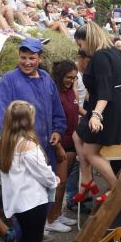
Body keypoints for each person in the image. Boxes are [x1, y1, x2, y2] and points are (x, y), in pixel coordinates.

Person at [0, 37, 69, 232]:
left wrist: (58, 131)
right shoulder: (8, 81)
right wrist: (18, 142)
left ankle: (42, 227)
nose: (27, 62)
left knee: (41, 190)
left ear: (40, 58)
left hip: (45, 146)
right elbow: (1, 114)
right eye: (23, 57)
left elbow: (56, 109)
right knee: (24, 194)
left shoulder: (46, 79)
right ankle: (25, 239)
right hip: (21, 149)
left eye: (32, 58)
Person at [0, 101, 61, 242]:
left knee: (23, 239)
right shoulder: (27, 144)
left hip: (17, 202)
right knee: (33, 241)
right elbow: (42, 172)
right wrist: (54, 180)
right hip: (32, 201)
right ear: (27, 120)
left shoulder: (6, 142)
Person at [71, 22, 121, 206]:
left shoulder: (100, 57)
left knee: (90, 151)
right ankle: (87, 180)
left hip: (108, 106)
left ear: (88, 39)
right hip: (114, 103)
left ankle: (116, 189)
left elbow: (105, 90)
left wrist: (96, 115)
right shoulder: (112, 51)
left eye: (80, 44)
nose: (81, 49)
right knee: (77, 135)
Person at [51, 60, 83, 226]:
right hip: (61, 143)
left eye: (74, 78)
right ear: (60, 75)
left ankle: (58, 214)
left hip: (72, 142)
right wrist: (57, 146)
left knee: (63, 183)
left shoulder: (70, 92)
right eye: (68, 77)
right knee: (60, 182)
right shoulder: (55, 93)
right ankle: (51, 219)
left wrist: (93, 115)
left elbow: (76, 108)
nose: (71, 81)